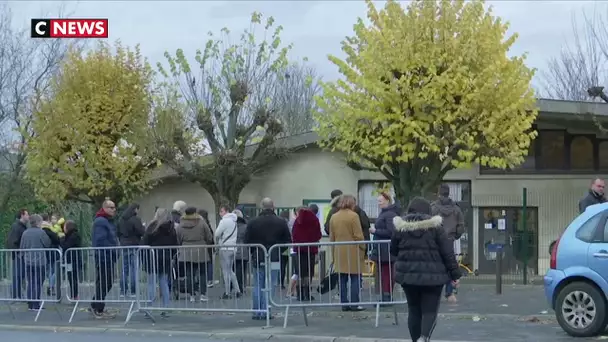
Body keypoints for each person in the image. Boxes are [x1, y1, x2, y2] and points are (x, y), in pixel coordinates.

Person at [391, 197, 461, 342]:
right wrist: (455, 274)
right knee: (429, 310)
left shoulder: (400, 228)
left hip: (408, 276)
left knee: (414, 309)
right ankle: (424, 337)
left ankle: (415, 339)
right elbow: (447, 252)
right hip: (433, 277)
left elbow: (393, 250)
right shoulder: (436, 228)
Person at [244, 197, 291, 320]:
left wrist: (254, 251)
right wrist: (278, 250)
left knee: (257, 285)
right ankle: (267, 311)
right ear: (273, 206)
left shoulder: (253, 222)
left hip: (258, 256)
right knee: (271, 284)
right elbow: (288, 240)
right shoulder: (281, 222)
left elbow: (246, 240)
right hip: (274, 256)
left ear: (262, 206)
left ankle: (257, 311)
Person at [329, 194, 366, 312]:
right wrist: (363, 248)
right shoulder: (354, 216)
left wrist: (333, 253)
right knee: (355, 277)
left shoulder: (334, 217)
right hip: (353, 250)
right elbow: (358, 235)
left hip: (339, 250)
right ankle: (355, 304)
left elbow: (332, 237)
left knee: (342, 278)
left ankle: (344, 303)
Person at [431, 184, 465, 303]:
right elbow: (461, 226)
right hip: (449, 240)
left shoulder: (433, 208)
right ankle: (449, 292)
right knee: (449, 265)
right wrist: (455, 236)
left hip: (436, 241)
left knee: (435, 266)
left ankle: (433, 292)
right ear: (448, 193)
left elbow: (429, 223)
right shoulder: (456, 209)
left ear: (439, 193)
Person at [142, 208, 178, 318]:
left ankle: (150, 308)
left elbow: (144, 242)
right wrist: (171, 256)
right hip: (166, 258)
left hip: (152, 257)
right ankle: (166, 308)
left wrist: (144, 257)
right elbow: (175, 245)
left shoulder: (152, 227)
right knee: (164, 283)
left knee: (151, 284)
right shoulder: (171, 228)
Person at [176, 206, 214, 302]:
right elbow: (209, 236)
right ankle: (203, 294)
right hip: (200, 250)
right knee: (202, 273)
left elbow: (178, 238)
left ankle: (192, 295)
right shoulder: (201, 222)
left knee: (189, 274)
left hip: (186, 251)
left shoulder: (181, 224)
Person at [90, 199, 119, 319]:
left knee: (105, 282)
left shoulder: (107, 221)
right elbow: (100, 241)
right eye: (111, 207)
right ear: (105, 208)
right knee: (104, 282)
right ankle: (98, 308)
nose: (114, 209)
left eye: (114, 207)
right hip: (103, 257)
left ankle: (96, 305)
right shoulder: (101, 221)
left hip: (108, 256)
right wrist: (111, 250)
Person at [370, 192, 400, 303]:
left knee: (387, 273)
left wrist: (375, 231)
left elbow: (391, 232)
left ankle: (387, 296)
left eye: (380, 201)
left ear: (387, 201)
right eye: (378, 201)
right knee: (384, 273)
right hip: (382, 248)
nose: (379, 203)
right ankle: (385, 295)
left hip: (386, 249)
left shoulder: (389, 215)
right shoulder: (385, 213)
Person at [19, 214, 52, 311]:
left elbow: (22, 246)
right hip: (40, 261)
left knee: (31, 282)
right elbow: (47, 243)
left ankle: (30, 303)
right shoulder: (41, 232)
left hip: (28, 260)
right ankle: (36, 303)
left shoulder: (25, 233)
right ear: (38, 222)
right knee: (38, 282)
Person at [292, 207, 322, 301]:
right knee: (309, 273)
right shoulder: (314, 220)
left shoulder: (298, 221)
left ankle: (299, 294)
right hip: (311, 249)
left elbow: (294, 234)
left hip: (299, 250)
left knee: (300, 273)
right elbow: (318, 234)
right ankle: (307, 294)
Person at [117, 203, 145, 298]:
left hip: (124, 245)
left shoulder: (121, 220)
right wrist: (143, 227)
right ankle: (133, 291)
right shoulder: (136, 220)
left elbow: (118, 232)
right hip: (134, 245)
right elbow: (141, 232)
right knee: (134, 268)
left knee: (124, 268)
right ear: (135, 209)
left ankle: (123, 291)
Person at [6, 209, 29, 299]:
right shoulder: (17, 227)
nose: (28, 216)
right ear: (22, 215)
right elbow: (11, 241)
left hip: (20, 254)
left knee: (20, 275)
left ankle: (17, 294)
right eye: (27, 214)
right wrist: (18, 252)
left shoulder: (21, 226)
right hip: (19, 255)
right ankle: (16, 294)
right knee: (18, 275)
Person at [40, 214, 61, 297]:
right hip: (52, 253)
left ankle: (43, 287)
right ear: (48, 221)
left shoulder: (40, 230)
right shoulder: (50, 231)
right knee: (53, 271)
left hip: (43, 254)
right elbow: (56, 240)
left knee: (47, 271)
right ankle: (50, 287)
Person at [61, 220, 82, 300]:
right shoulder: (72, 235)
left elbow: (66, 246)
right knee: (71, 278)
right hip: (71, 260)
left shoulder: (73, 236)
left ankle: (75, 295)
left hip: (73, 260)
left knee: (73, 278)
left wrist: (62, 239)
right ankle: (74, 294)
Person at [198, 209, 218, 289]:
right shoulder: (207, 224)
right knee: (209, 264)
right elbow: (211, 236)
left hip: (202, 247)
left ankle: (204, 280)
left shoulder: (199, 224)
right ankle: (209, 280)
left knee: (203, 265)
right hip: (208, 247)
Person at [233, 209, 249, 294]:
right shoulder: (245, 226)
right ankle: (241, 287)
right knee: (242, 270)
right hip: (243, 250)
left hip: (231, 249)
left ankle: (232, 287)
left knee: (231, 270)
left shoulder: (230, 226)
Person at [278, 210, 291, 289]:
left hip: (276, 247)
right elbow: (289, 237)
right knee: (283, 266)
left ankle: (276, 281)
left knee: (275, 266)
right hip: (285, 248)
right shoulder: (287, 224)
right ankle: (281, 283)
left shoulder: (276, 224)